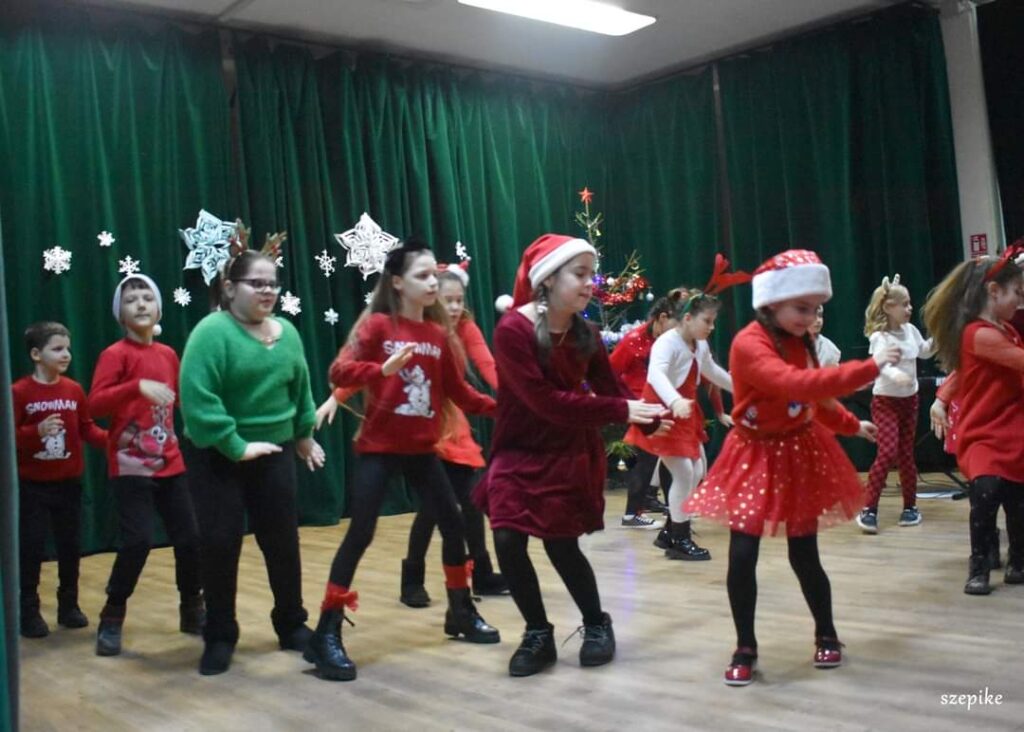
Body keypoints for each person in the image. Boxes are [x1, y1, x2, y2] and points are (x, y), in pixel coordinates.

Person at [682, 250, 899, 686]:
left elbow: (813, 400)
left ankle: (827, 633)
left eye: (815, 309)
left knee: (805, 554)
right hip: (754, 455)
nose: (811, 318)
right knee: (742, 554)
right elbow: (793, 384)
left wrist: (850, 424)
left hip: (798, 452)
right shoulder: (749, 344)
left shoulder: (802, 342)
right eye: (802, 308)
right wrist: (870, 368)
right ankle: (745, 646)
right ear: (772, 303)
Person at [305, 238, 499, 682]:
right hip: (380, 450)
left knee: (454, 524)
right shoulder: (377, 326)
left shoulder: (437, 335)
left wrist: (504, 408)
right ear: (397, 283)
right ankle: (326, 632)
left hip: (421, 450)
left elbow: (461, 393)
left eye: (434, 275)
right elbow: (338, 372)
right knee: (361, 533)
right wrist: (382, 370)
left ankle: (460, 611)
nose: (432, 283)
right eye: (422, 276)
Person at [473, 234, 668, 677]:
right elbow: (544, 402)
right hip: (518, 450)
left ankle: (597, 623)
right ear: (547, 280)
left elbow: (610, 389)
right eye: (579, 274)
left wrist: (651, 418)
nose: (589, 284)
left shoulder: (586, 334)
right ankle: (537, 633)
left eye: (591, 275)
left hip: (566, 452)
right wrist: (622, 410)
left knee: (560, 544)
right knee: (507, 538)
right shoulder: (513, 331)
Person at [180, 231, 325, 675]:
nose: (267, 291)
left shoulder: (288, 333)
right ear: (229, 289)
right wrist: (236, 446)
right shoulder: (211, 333)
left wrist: (303, 435)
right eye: (256, 283)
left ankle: (291, 624)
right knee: (220, 542)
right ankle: (220, 635)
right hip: (218, 455)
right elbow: (198, 401)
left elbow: (300, 389)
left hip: (274, 450)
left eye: (273, 284)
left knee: (282, 541)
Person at [89, 274, 203, 657]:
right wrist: (135, 386)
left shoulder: (168, 354)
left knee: (189, 538)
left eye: (146, 298)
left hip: (170, 462)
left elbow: (180, 398)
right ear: (120, 314)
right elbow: (95, 404)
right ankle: (112, 615)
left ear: (158, 309)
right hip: (130, 466)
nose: (140, 304)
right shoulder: (115, 355)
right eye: (131, 299)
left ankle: (192, 608)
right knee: (137, 541)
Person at [624, 258, 744, 561]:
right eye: (707, 321)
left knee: (697, 470)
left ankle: (670, 532)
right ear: (687, 318)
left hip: (684, 414)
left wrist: (742, 389)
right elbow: (656, 375)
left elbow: (712, 372)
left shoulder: (699, 344)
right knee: (684, 472)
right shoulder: (667, 342)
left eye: (714, 322)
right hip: (662, 413)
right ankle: (680, 538)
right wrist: (674, 401)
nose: (712, 328)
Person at [922, 247, 1024, 595]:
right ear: (993, 292)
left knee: (1017, 502)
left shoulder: (1004, 330)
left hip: (1014, 431)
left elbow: (965, 371)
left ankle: (1017, 563)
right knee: (986, 494)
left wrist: (941, 398)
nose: (1019, 301)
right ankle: (979, 566)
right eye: (1016, 293)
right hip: (986, 433)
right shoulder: (980, 334)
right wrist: (941, 398)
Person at [13, 321, 107, 637]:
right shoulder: (19, 392)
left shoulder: (73, 390)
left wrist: (114, 440)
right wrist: (35, 432)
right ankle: (28, 611)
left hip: (69, 485)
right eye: (57, 349)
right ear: (36, 354)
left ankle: (69, 606)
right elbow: (9, 438)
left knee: (70, 546)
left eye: (67, 348)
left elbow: (86, 429)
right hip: (33, 487)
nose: (66, 354)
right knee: (31, 549)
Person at [856, 275, 932, 533]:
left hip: (910, 401)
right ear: (889, 307)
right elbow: (881, 365)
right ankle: (869, 509)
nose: (910, 308)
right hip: (885, 402)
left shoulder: (911, 331)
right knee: (887, 453)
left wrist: (941, 337)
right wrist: (895, 374)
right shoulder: (880, 337)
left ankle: (910, 507)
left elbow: (924, 351)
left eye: (910, 304)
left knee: (906, 455)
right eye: (905, 304)